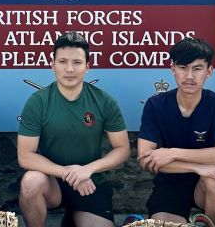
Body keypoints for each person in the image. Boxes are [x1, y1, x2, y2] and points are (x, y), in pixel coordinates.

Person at [17, 31, 131, 227]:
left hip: (90, 181)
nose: (69, 69)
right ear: (52, 65)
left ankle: (72, 218)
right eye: (62, 61)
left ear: (87, 66)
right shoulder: (38, 102)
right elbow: (25, 156)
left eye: (77, 62)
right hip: (52, 181)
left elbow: (122, 149)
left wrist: (87, 170)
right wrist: (67, 173)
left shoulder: (104, 100)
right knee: (31, 181)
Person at [137, 37, 215, 227]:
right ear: (173, 69)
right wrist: (197, 166)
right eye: (183, 67)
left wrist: (172, 153)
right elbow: (145, 158)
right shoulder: (156, 105)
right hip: (171, 182)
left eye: (197, 68)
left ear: (209, 72)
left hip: (206, 184)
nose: (189, 76)